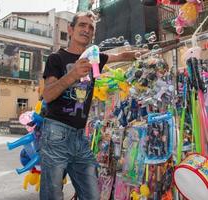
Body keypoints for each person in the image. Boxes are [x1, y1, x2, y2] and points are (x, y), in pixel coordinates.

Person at [40, 11, 143, 200]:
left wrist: (139, 54)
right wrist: (72, 74)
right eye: (82, 25)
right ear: (70, 30)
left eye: (91, 28)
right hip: (56, 134)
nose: (86, 30)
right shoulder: (57, 58)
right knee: (52, 195)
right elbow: (47, 94)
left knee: (92, 194)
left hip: (80, 136)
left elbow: (121, 55)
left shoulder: (94, 58)